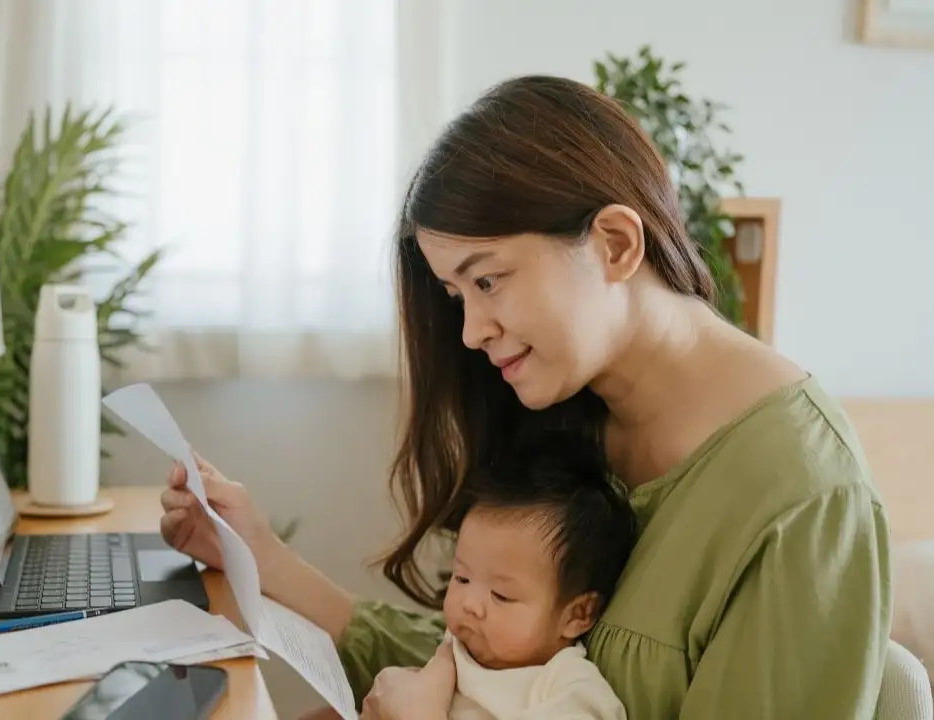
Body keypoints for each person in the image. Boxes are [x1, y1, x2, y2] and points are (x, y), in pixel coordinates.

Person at [158, 75, 891, 719]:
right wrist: (263, 559)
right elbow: (504, 664)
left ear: (614, 244)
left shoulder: (800, 497)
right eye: (455, 295)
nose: (472, 331)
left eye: (487, 280)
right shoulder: (577, 413)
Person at [440, 430, 634, 720]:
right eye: (462, 578)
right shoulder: (456, 647)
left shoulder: (566, 686)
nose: (469, 604)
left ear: (577, 614)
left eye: (501, 596)